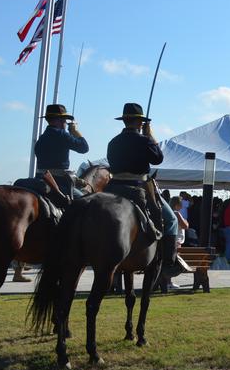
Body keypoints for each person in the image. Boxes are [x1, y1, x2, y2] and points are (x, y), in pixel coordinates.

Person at [105, 102, 186, 278]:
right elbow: (158, 159)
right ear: (140, 123)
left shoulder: (113, 142)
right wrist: (150, 135)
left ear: (125, 121)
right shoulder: (144, 140)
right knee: (171, 220)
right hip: (138, 186)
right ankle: (168, 263)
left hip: (114, 186)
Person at [33, 103, 89, 201]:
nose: (65, 123)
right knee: (86, 202)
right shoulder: (62, 135)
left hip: (39, 180)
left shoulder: (41, 139)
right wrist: (75, 131)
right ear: (60, 120)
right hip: (58, 183)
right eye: (65, 120)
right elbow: (84, 147)